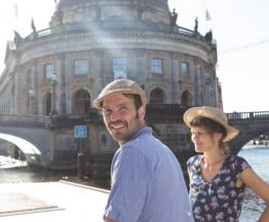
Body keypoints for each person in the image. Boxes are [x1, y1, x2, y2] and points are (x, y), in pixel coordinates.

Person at [94, 79, 193, 222]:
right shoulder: (159, 148)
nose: (113, 118)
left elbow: (116, 220)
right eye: (107, 111)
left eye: (123, 108)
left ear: (141, 112)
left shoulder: (132, 152)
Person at [183, 106, 269, 222]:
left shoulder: (236, 166)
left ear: (218, 135)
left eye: (200, 133)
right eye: (193, 132)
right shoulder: (193, 165)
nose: (194, 138)